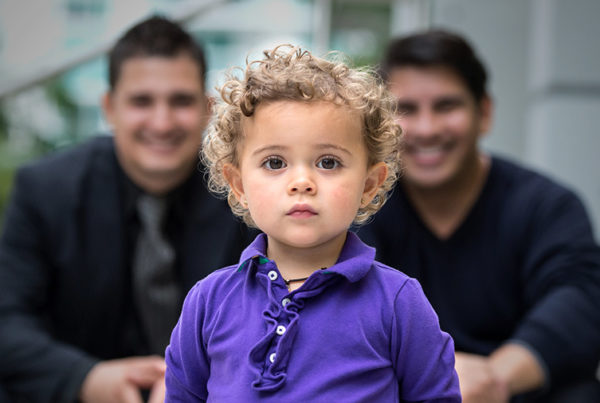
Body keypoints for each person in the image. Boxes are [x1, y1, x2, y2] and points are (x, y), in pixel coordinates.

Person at [163, 44, 461, 402]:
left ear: (369, 185)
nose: (301, 181)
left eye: (328, 162)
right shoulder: (208, 302)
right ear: (239, 185)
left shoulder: (398, 303)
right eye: (275, 163)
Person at [0, 16, 255, 402]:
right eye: (142, 101)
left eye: (181, 101)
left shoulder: (252, 192)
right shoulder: (46, 190)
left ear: (207, 108)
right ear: (109, 107)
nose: (162, 121)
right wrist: (85, 378)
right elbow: (7, 320)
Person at [359, 29, 600, 403]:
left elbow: (580, 303)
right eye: (406, 109)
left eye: (446, 106)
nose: (426, 129)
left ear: (483, 113)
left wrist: (493, 380)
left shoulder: (547, 206)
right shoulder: (359, 209)